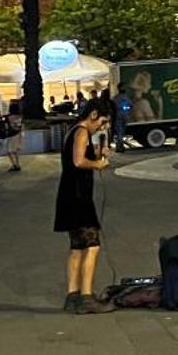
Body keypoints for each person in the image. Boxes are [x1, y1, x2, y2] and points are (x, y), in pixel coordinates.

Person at [56, 101, 113, 313]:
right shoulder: (80, 132)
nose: (103, 126)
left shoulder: (74, 132)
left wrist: (98, 152)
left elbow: (83, 158)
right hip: (78, 196)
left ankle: (73, 296)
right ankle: (87, 297)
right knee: (92, 246)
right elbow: (79, 161)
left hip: (70, 194)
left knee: (78, 247)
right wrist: (97, 164)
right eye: (103, 121)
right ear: (94, 114)